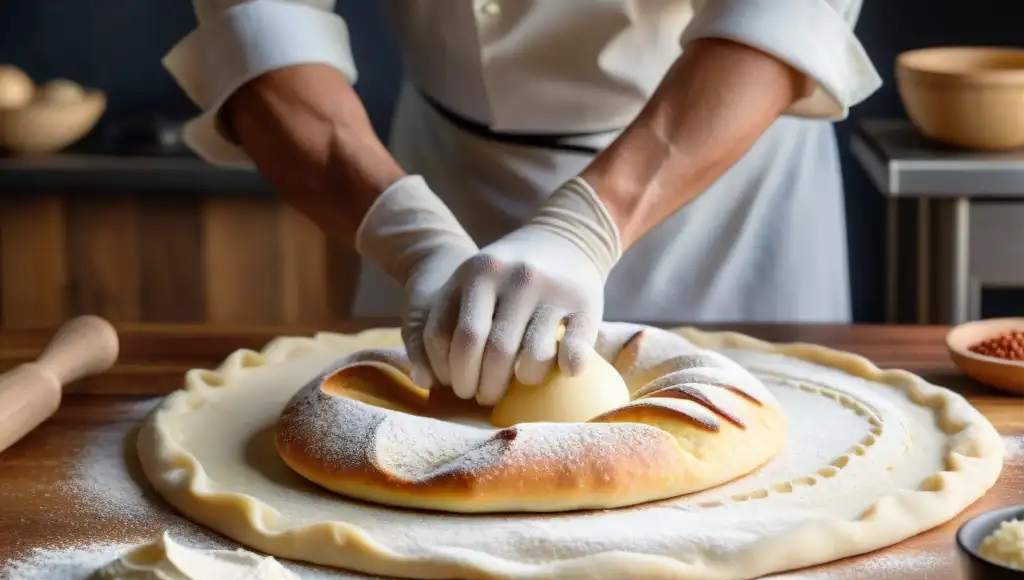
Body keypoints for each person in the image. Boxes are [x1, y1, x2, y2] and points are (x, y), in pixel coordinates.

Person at [163, 0, 881, 405]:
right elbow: (260, 32)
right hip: (430, 176)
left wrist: (584, 226)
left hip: (714, 174)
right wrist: (413, 239)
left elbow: (783, 15)